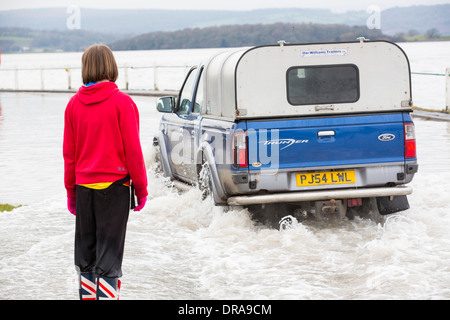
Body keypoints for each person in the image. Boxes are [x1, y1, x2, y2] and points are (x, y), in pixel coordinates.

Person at [63, 44, 148, 300]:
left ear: (85, 68)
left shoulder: (73, 106)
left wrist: (71, 193)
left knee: (86, 259)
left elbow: (69, 156)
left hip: (85, 189)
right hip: (116, 190)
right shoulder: (123, 103)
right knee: (109, 261)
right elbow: (134, 152)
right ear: (111, 67)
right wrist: (142, 190)